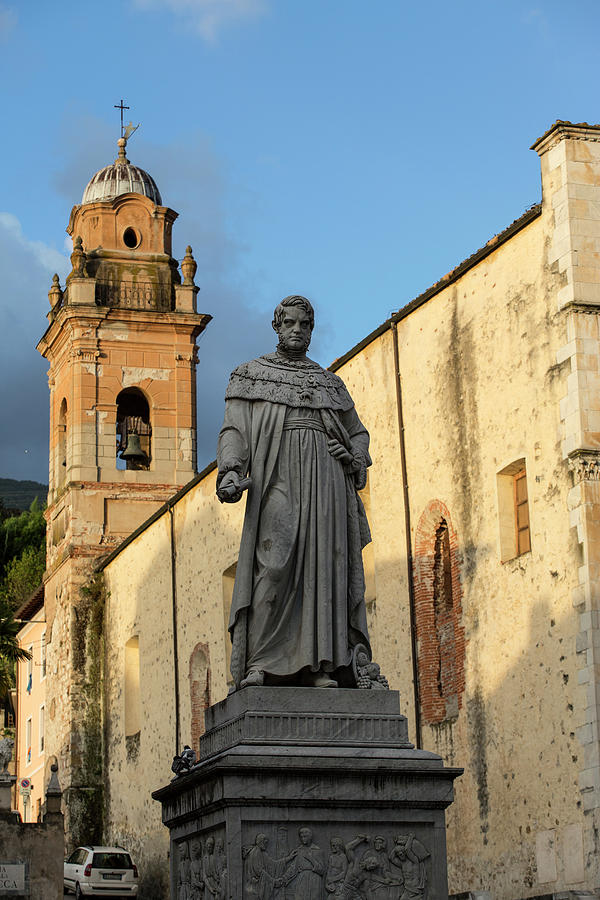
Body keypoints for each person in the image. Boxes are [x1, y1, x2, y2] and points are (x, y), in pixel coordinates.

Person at [217, 295, 372, 689]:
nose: (297, 330)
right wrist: (231, 471)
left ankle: (321, 664)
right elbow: (234, 429)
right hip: (278, 476)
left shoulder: (329, 383)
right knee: (273, 561)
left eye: (305, 324)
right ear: (277, 326)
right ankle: (261, 662)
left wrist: (354, 454)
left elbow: (358, 432)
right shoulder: (251, 375)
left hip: (326, 482)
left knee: (325, 570)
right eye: (290, 323)